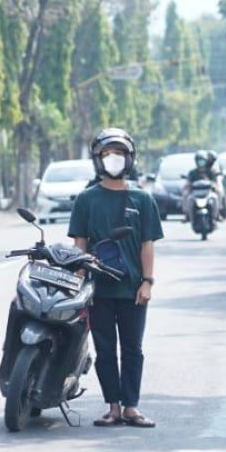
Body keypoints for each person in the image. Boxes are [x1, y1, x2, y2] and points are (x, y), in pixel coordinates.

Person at [69, 128, 163, 429]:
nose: (114, 159)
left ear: (130, 159)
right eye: (108, 154)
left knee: (133, 349)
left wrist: (147, 281)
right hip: (99, 290)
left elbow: (147, 244)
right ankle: (113, 407)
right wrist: (79, 280)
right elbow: (79, 244)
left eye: (119, 154)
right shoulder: (86, 200)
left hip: (133, 289)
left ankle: (131, 407)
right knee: (105, 349)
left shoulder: (143, 200)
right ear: (98, 159)